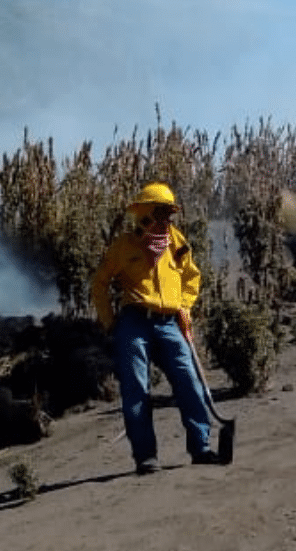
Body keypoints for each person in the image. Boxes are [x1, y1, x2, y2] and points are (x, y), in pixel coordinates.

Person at [90, 182, 218, 474]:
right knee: (136, 390)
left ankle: (201, 447)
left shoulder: (175, 240)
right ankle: (146, 457)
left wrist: (185, 305)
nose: (166, 219)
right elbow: (99, 284)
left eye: (170, 212)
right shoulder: (123, 246)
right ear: (145, 212)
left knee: (190, 382)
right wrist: (110, 322)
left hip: (170, 322)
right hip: (134, 322)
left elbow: (191, 277)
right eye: (161, 212)